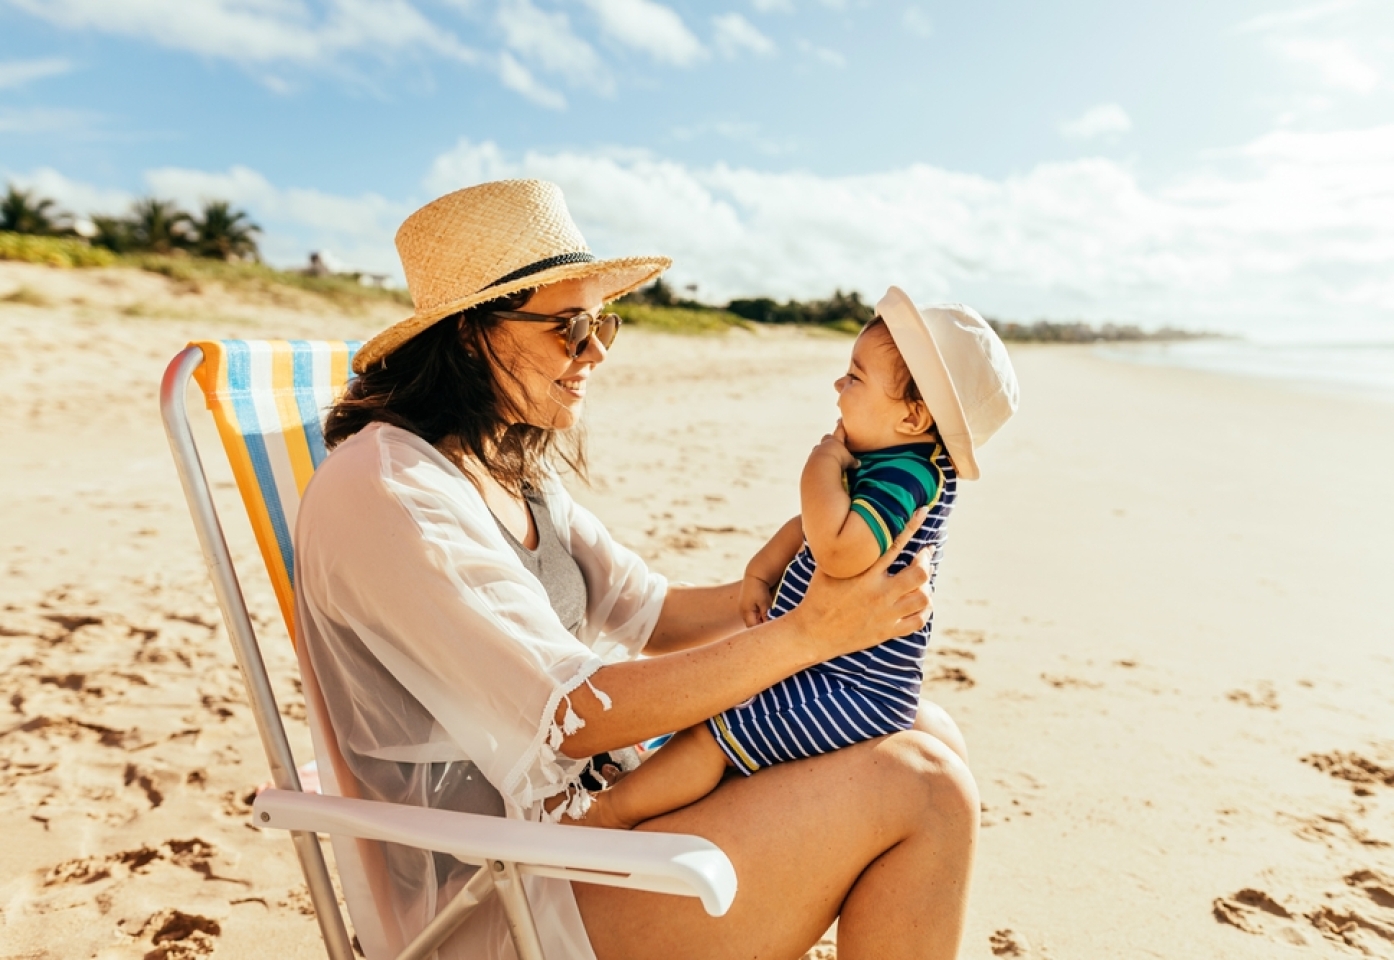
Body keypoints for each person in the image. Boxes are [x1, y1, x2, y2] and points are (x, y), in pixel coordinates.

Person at [294, 179, 981, 960]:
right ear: (468, 336)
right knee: (924, 788)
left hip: (573, 834)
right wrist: (811, 634)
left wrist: (792, 587)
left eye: (600, 325)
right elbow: (574, 712)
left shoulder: (499, 462)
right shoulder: (394, 494)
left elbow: (648, 613)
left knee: (925, 727)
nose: (595, 352)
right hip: (496, 899)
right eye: (568, 328)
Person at [584, 295, 1018, 831]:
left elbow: (836, 551)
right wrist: (762, 573)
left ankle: (610, 812)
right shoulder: (892, 458)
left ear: (912, 415)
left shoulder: (907, 478)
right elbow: (806, 530)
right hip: (825, 666)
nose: (839, 387)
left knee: (714, 734)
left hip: (848, 687)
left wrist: (818, 467)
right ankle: (651, 783)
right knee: (715, 698)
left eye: (856, 378)